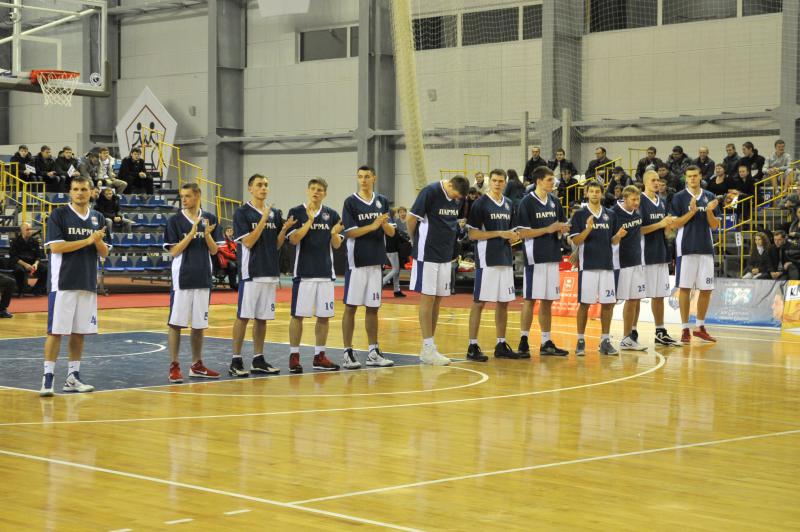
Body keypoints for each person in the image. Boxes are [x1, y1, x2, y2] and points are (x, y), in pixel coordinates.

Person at [39, 175, 110, 396]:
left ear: (91, 192)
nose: (80, 193)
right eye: (76, 189)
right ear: (70, 192)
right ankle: (48, 378)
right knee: (56, 331)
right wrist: (88, 240)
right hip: (63, 282)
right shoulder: (59, 215)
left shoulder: (98, 217)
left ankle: (72, 377)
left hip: (87, 281)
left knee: (79, 332)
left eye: (84, 189)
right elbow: (56, 248)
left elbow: (105, 253)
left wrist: (97, 241)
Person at [229, 174, 295, 377]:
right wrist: (263, 219)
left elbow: (277, 244)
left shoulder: (274, 213)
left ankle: (258, 359)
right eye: (259, 185)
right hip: (251, 272)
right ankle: (236, 360)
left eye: (266, 184)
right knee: (243, 317)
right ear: (250, 188)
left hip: (269, 271)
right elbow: (248, 242)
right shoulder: (242, 213)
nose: (263, 188)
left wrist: (283, 230)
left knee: (262, 318)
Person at [164, 182, 225, 383]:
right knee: (176, 323)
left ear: (198, 195)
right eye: (182, 196)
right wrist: (191, 234)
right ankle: (174, 365)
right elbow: (174, 251)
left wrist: (206, 235)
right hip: (182, 278)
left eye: (187, 196)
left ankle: (197, 365)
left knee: (199, 324)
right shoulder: (174, 221)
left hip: (203, 276)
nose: (183, 199)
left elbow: (215, 250)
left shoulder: (210, 218)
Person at [406, 175, 469, 365]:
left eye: (459, 198)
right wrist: (414, 240)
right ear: (449, 185)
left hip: (445, 254)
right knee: (428, 298)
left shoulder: (458, 198)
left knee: (438, 299)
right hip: (427, 253)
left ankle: (429, 347)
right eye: (455, 195)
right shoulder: (430, 191)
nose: (456, 199)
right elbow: (411, 218)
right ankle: (428, 347)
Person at [340, 166, 396, 369]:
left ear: (374, 178)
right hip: (357, 261)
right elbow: (349, 232)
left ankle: (373, 351)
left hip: (376, 260)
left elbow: (391, 232)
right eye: (360, 177)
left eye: (366, 176)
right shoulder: (350, 202)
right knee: (351, 307)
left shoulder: (382, 201)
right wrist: (373, 225)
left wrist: (383, 224)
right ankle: (347, 352)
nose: (363, 180)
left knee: (373, 308)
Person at [285, 178, 344, 373]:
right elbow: (293, 240)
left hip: (325, 273)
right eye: (312, 189)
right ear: (307, 191)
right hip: (304, 273)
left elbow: (337, 245)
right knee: (298, 316)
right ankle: (294, 356)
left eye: (319, 190)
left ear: (325, 193)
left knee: (324, 317)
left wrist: (334, 233)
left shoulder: (332, 214)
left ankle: (320, 356)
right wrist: (309, 221)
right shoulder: (296, 212)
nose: (316, 192)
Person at [462, 169, 520, 361]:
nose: (497, 184)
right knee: (479, 302)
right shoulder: (480, 203)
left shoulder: (509, 204)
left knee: (504, 302)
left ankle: (501, 344)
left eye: (500, 181)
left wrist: (513, 237)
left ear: (505, 183)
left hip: (505, 258)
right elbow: (473, 235)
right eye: (494, 180)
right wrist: (499, 234)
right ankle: (472, 346)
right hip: (487, 258)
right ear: (490, 182)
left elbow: (512, 232)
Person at [515, 166, 571, 357]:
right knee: (530, 299)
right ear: (538, 181)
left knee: (547, 300)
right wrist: (548, 229)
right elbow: (522, 233)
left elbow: (561, 224)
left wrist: (563, 229)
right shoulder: (527, 202)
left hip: (552, 256)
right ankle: (523, 340)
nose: (553, 182)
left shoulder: (555, 201)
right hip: (535, 258)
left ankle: (546, 341)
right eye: (549, 179)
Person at [669, 165, 721, 344]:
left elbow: (714, 225)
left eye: (695, 175)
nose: (692, 178)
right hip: (686, 248)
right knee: (684, 288)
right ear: (685, 178)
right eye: (689, 176)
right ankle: (685, 328)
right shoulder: (678, 197)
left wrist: (709, 211)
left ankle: (700, 327)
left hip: (706, 248)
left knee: (706, 289)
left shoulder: (710, 196)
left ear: (700, 176)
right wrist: (691, 212)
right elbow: (674, 225)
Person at [569, 181, 621, 356]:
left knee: (608, 304)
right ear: (586, 193)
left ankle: (605, 340)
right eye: (591, 191)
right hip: (588, 266)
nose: (594, 194)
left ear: (602, 194)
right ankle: (580, 340)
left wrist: (618, 237)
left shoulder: (610, 214)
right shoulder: (579, 215)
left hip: (607, 265)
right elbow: (576, 240)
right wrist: (588, 229)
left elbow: (612, 241)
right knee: (584, 304)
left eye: (597, 191)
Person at [639, 170, 680, 346]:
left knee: (659, 296)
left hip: (661, 253)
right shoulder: (639, 201)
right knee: (636, 297)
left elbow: (666, 232)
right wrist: (660, 224)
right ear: (645, 182)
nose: (657, 183)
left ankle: (660, 331)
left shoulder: (661, 202)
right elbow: (638, 230)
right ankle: (631, 332)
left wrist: (669, 226)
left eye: (658, 180)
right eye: (653, 180)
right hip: (645, 255)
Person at [611, 185, 647, 351]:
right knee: (611, 302)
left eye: (638, 199)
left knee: (633, 299)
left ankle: (627, 338)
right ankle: (604, 338)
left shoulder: (637, 213)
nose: (636, 202)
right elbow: (608, 239)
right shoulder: (613, 214)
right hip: (620, 263)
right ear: (624, 199)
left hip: (636, 261)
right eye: (633, 199)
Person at [10, 222, 47, 296]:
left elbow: (39, 255)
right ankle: (21, 290)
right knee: (19, 270)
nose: (29, 231)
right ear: (22, 231)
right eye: (27, 229)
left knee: (45, 269)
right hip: (20, 262)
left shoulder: (34, 241)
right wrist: (25, 265)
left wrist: (36, 264)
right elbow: (14, 256)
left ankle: (37, 289)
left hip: (32, 262)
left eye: (30, 229)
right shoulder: (15, 241)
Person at [383, 208, 406, 297]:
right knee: (395, 270)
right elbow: (396, 236)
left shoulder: (388, 223)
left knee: (397, 270)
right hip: (391, 250)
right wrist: (407, 240)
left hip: (392, 249)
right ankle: (381, 283)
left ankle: (397, 290)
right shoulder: (390, 224)